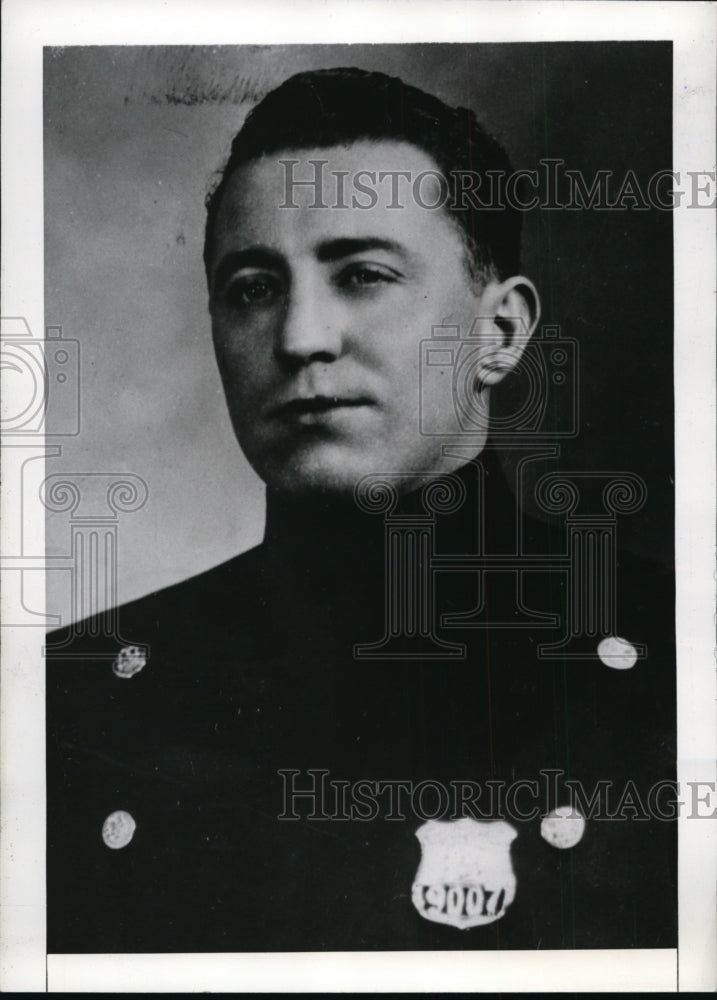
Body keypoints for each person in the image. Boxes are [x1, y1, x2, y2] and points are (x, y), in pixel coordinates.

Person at [46, 67, 676, 953]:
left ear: (499, 333)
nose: (301, 337)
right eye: (254, 288)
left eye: (365, 275)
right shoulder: (71, 701)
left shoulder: (674, 670)